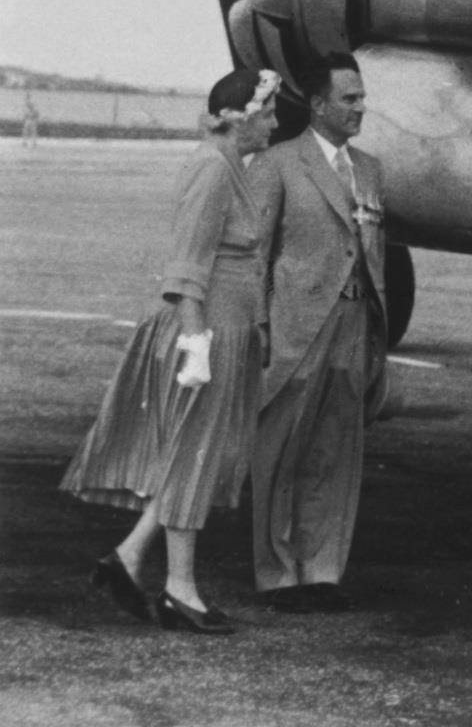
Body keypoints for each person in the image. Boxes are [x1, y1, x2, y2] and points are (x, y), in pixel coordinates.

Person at [61, 68, 280, 634]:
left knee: (192, 455)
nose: (275, 124)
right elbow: (187, 263)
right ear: (239, 119)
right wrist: (196, 343)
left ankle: (130, 557)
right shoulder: (214, 168)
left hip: (225, 330)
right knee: (194, 456)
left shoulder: (230, 166)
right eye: (267, 114)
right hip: (205, 333)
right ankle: (180, 589)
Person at [246, 52, 386, 613]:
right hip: (296, 327)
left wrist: (376, 334)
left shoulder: (370, 170)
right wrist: (260, 328)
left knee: (336, 450)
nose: (361, 107)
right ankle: (279, 574)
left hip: (353, 322)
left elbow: (373, 256)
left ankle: (322, 570)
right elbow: (256, 255)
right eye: (350, 98)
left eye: (362, 97)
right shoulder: (278, 163)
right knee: (281, 450)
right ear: (319, 105)